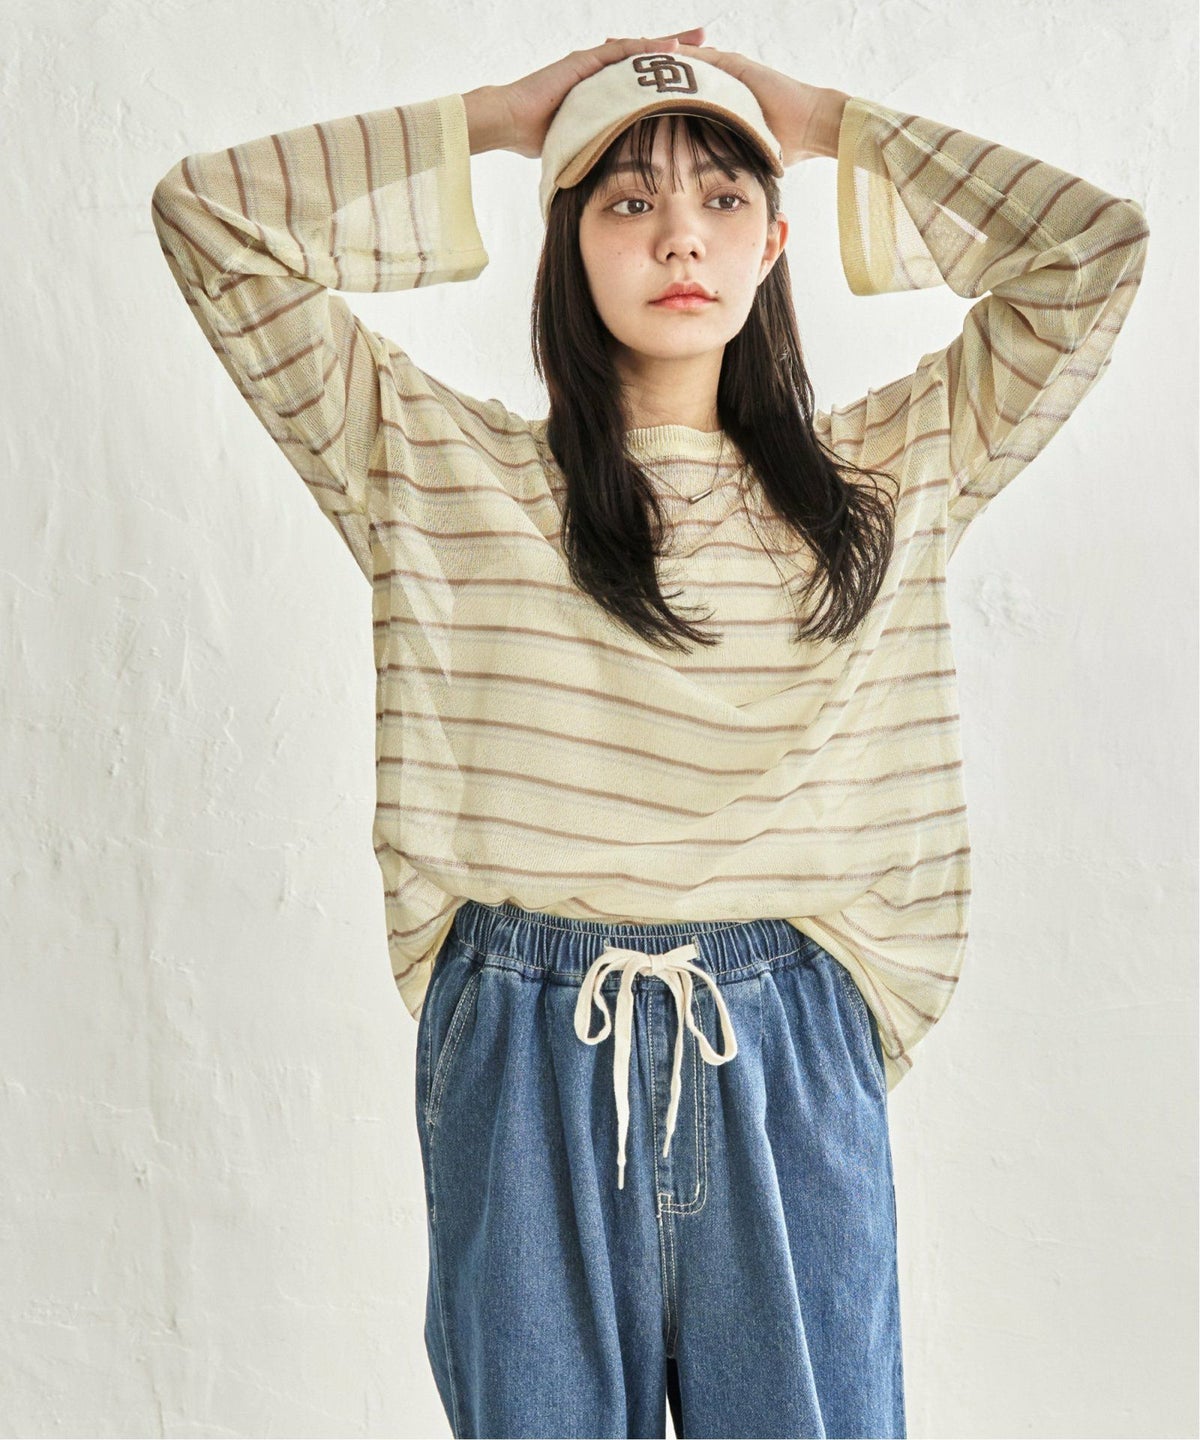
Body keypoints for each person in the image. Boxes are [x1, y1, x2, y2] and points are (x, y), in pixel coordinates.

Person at [149, 28, 1150, 1440]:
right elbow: (209, 221)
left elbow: (1095, 255)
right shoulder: (437, 469)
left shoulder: (890, 474)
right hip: (525, 1043)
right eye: (628, 200)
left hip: (789, 1041)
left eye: (723, 198)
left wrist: (826, 121)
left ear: (775, 241)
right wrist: (506, 117)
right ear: (566, 248)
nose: (681, 235)